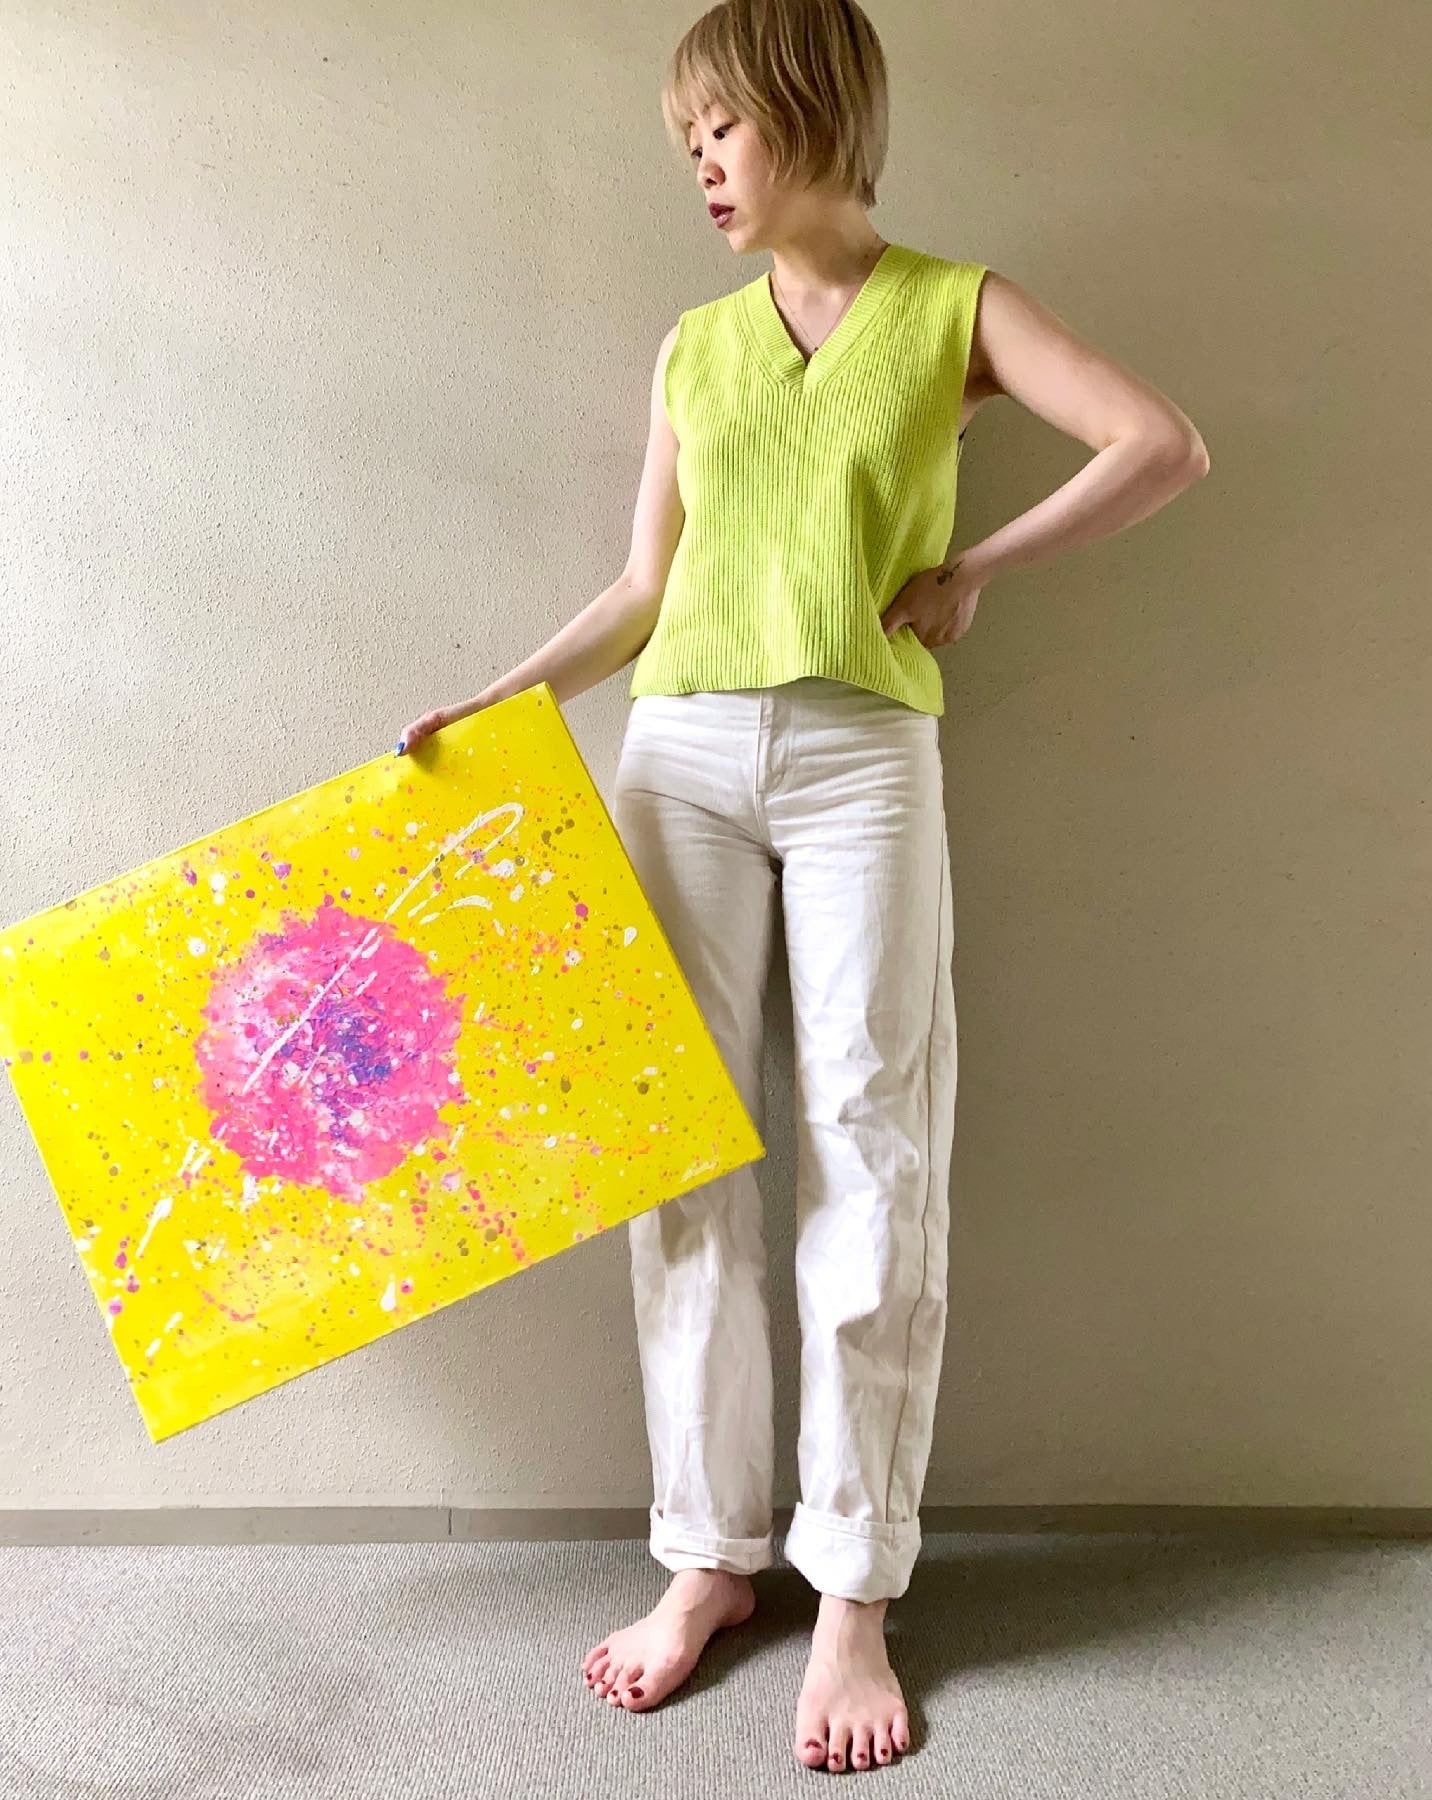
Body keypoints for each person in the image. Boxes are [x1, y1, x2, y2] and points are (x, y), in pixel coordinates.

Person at [398, 0, 1208, 1773]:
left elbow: (1160, 443)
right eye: (684, 138)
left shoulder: (954, 308)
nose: (699, 162)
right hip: (680, 754)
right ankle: (709, 1559)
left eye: (721, 127)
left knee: (873, 1143)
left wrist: (976, 566)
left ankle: (853, 1587)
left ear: (810, 107)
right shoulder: (692, 349)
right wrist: (503, 698)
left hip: (862, 757)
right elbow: (643, 590)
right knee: (681, 1157)